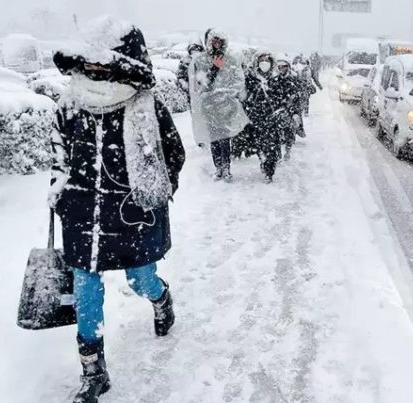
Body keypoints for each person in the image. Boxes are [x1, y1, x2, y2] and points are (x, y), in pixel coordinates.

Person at [50, 16, 186, 403]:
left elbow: (172, 156)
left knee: (140, 280)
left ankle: (161, 299)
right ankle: (93, 372)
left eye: (102, 65)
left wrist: (154, 192)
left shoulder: (145, 107)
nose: (94, 71)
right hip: (82, 215)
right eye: (88, 65)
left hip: (132, 215)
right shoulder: (70, 105)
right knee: (86, 293)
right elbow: (59, 156)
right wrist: (60, 189)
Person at [189, 29, 249, 182]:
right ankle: (218, 168)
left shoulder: (231, 60)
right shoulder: (202, 61)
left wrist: (228, 93)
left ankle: (226, 168)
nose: (217, 44)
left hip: (226, 105)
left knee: (225, 138)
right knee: (214, 138)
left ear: (224, 43)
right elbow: (200, 84)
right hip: (209, 106)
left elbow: (239, 81)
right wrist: (214, 68)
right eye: (214, 41)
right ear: (210, 42)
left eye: (220, 41)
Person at [243, 51, 286, 183]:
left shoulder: (276, 79)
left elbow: (281, 97)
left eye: (267, 60)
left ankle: (269, 171)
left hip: (271, 118)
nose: (264, 63)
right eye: (262, 60)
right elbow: (245, 97)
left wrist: (279, 110)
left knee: (271, 145)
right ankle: (263, 159)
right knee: (258, 145)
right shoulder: (251, 78)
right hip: (255, 117)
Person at [272, 54, 303, 160]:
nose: (281, 68)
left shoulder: (294, 79)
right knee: (276, 133)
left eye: (283, 66)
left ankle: (288, 150)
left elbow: (298, 97)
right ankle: (278, 153)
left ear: (288, 67)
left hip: (291, 110)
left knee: (289, 131)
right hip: (278, 110)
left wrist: (294, 111)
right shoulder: (274, 80)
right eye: (279, 66)